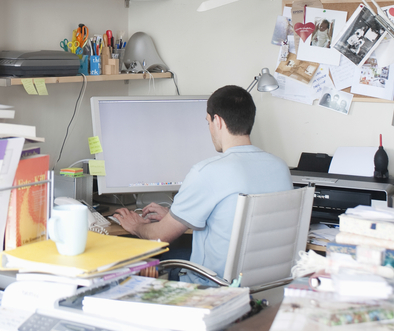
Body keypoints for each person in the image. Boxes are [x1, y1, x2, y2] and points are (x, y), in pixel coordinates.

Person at [113, 85, 292, 281]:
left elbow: (159, 237)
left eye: (208, 122)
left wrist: (136, 225)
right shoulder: (280, 167)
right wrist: (178, 216)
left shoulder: (207, 171)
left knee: (146, 261)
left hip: (213, 288)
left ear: (218, 121)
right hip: (263, 286)